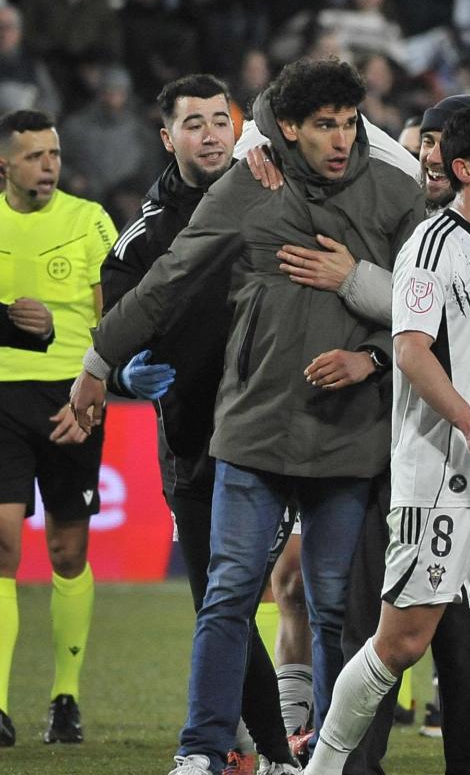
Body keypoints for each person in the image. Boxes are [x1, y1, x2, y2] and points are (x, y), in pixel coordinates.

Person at [67, 57, 423, 775]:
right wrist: (100, 362)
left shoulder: (394, 192)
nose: (340, 140)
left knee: (329, 610)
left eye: (350, 124)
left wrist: (374, 360)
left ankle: (327, 757)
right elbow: (166, 280)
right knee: (228, 595)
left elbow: (426, 307)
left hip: (345, 429)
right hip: (254, 427)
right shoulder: (248, 184)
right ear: (287, 127)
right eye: (324, 125)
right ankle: (201, 750)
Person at [239, 92, 470, 774]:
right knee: (369, 623)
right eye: (419, 141)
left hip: (461, 455)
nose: (427, 155)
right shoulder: (399, 207)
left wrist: (354, 283)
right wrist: (265, 144)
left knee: (463, 633)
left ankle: (466, 765)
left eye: (440, 145)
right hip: (382, 447)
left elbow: (445, 338)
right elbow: (280, 105)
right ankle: (348, 764)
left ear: (464, 162)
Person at [305, 107, 470, 775]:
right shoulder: (430, 246)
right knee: (400, 644)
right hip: (443, 474)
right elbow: (413, 352)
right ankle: (325, 766)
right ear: (462, 170)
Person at [99, 74, 296, 772]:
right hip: (192, 443)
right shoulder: (145, 238)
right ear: (167, 137)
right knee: (224, 604)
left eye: (221, 120)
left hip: (278, 435)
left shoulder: (274, 196)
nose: (210, 134)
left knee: (244, 597)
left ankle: (264, 747)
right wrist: (125, 376)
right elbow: (112, 334)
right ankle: (266, 750)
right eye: (195, 123)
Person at [0, 109, 115, 747]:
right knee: (3, 542)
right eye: (35, 155)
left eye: (54, 154)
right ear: (5, 165)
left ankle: (64, 697)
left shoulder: (89, 220)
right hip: (0, 397)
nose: (49, 165)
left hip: (73, 401)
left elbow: (114, 316)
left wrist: (94, 397)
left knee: (68, 553)